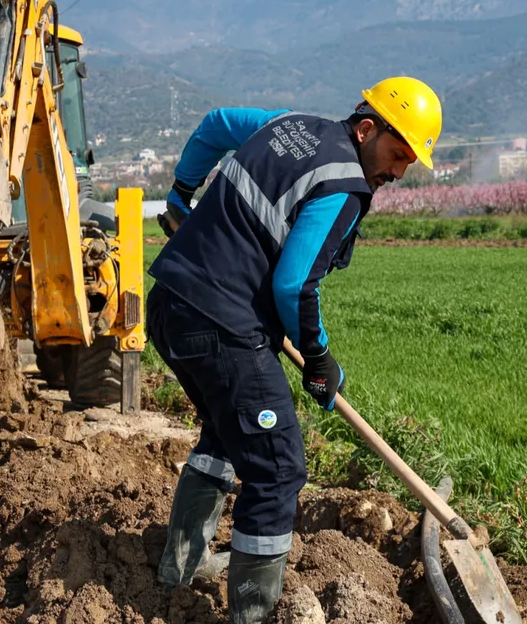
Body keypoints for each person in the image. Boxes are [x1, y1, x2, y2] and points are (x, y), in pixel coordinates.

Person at [146, 77, 442, 623]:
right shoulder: (346, 185)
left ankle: (178, 570)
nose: (398, 172)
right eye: (399, 154)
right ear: (368, 127)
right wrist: (320, 359)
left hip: (169, 306)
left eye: (409, 163)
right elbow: (295, 285)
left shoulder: (286, 124)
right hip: (221, 324)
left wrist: (181, 192)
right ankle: (253, 615)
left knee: (226, 430)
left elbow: (214, 124)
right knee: (279, 467)